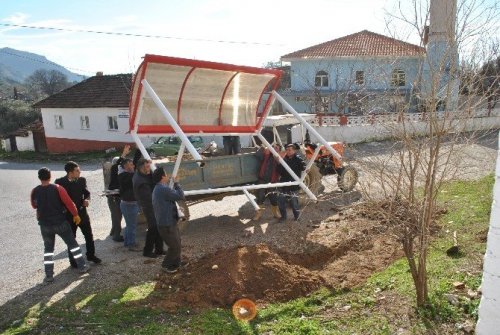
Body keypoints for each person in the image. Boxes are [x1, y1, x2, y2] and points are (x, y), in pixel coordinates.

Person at [31, 168, 89, 283]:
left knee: (48, 250)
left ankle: (49, 275)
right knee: (73, 244)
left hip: (45, 225)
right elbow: (69, 203)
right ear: (50, 176)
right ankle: (82, 266)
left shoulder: (35, 191)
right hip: (60, 222)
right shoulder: (57, 188)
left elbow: (34, 205)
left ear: (39, 177)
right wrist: (76, 215)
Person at [55, 161, 102, 266]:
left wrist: (87, 200)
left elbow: (87, 193)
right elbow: (58, 199)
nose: (79, 172)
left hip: (82, 213)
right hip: (69, 216)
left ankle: (91, 255)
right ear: (70, 172)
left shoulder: (81, 180)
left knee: (89, 235)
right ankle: (73, 260)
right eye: (77, 170)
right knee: (72, 238)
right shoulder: (60, 182)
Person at [152, 167, 188, 273]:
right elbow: (180, 196)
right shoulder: (162, 189)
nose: (168, 176)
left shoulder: (159, 188)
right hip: (166, 224)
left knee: (177, 243)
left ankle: (176, 263)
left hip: (168, 222)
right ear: (162, 177)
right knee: (174, 246)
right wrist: (177, 183)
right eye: (166, 174)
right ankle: (166, 265)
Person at [133, 158, 164, 258]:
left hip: (152, 205)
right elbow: (149, 197)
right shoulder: (140, 181)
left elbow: (151, 177)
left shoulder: (142, 174)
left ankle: (159, 249)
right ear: (142, 167)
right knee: (153, 227)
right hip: (149, 206)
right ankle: (147, 251)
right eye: (147, 166)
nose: (148, 168)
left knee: (158, 227)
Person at [107, 145, 131, 242]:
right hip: (114, 197)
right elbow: (118, 163)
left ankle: (113, 231)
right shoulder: (114, 169)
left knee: (115, 215)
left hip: (114, 197)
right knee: (117, 216)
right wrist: (124, 154)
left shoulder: (120, 172)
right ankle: (116, 236)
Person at [277, 143, 306, 222]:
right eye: (287, 150)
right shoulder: (283, 158)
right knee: (280, 201)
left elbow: (304, 167)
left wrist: (306, 167)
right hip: (284, 184)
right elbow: (279, 171)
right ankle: (283, 217)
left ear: (294, 150)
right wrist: (280, 162)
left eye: (290, 150)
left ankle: (297, 217)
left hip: (293, 184)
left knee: (294, 202)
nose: (288, 151)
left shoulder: (298, 159)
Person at [253, 143, 282, 220]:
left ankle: (276, 213)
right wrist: (263, 147)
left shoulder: (280, 158)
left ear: (279, 150)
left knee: (273, 198)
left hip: (273, 181)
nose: (274, 149)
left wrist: (278, 161)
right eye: (273, 147)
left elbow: (282, 169)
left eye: (277, 148)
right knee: (260, 197)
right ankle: (258, 214)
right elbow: (257, 155)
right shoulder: (266, 155)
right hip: (262, 180)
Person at [119, 158, 141, 251]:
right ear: (125, 166)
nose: (133, 166)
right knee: (131, 225)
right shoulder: (123, 176)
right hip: (128, 205)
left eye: (133, 164)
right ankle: (131, 244)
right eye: (131, 164)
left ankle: (127, 242)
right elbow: (133, 176)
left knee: (129, 225)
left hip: (131, 204)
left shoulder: (130, 175)